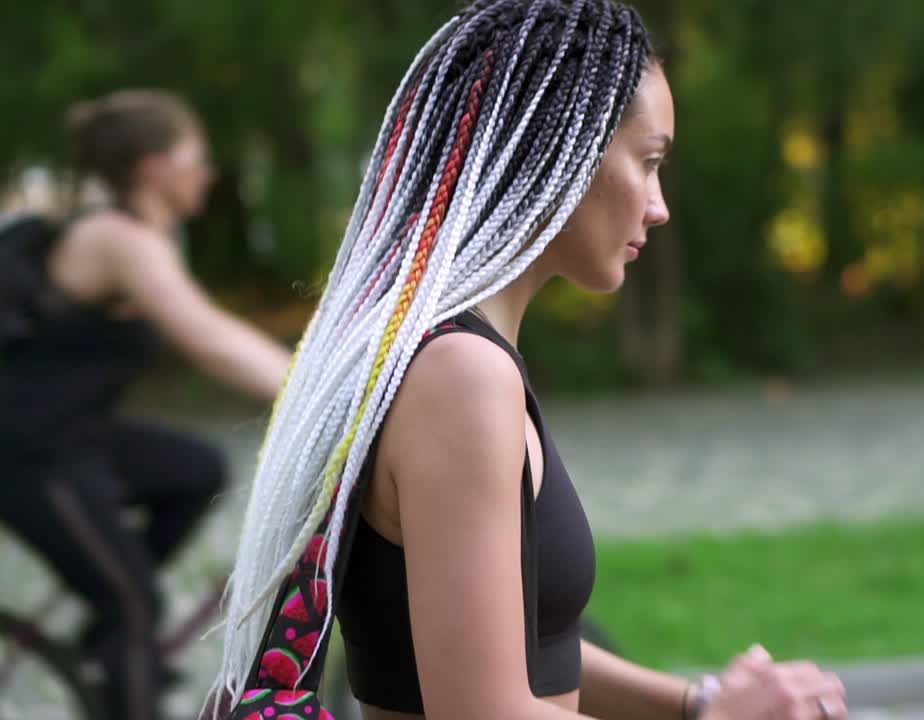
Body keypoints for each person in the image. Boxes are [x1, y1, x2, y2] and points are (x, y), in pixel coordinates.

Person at [210, 1, 850, 719]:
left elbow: (514, 645)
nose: (659, 204)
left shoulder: (428, 349)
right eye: (648, 162)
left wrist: (696, 703)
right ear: (557, 151)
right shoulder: (461, 377)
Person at [0, 89, 293, 720]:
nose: (207, 172)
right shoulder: (115, 239)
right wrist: (322, 395)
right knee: (134, 604)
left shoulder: (141, 238)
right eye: (197, 157)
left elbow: (211, 328)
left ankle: (112, 631)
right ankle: (121, 631)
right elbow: (208, 338)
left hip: (75, 435)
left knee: (195, 470)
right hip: (26, 453)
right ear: (155, 167)